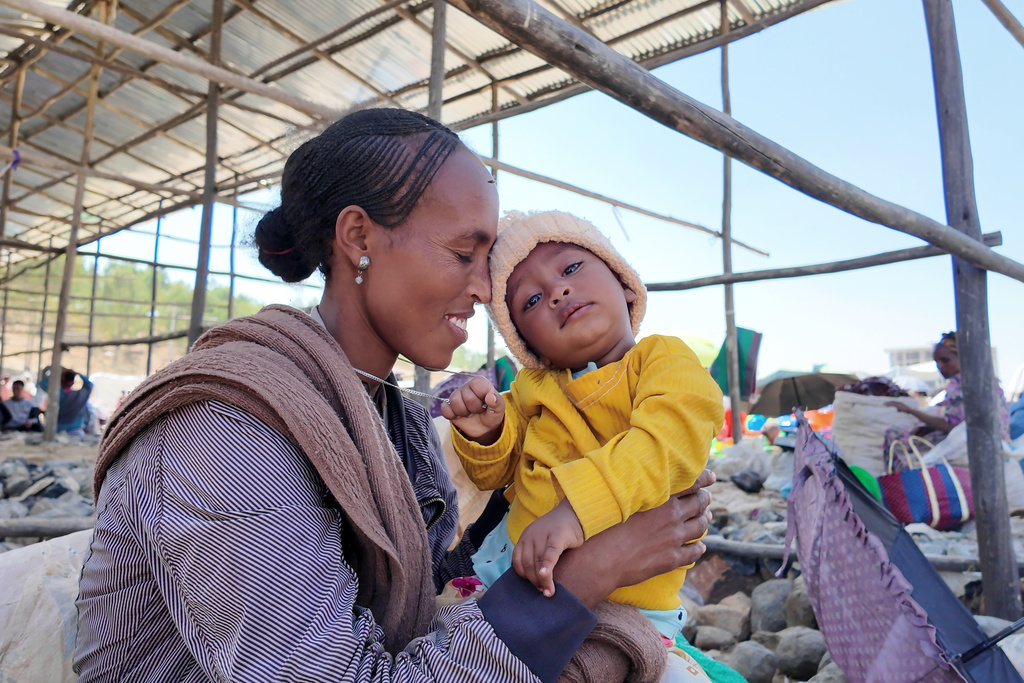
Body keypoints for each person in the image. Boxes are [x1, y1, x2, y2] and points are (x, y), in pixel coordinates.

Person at [74, 109, 715, 683]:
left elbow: (423, 591)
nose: (485, 291)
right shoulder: (224, 441)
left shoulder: (392, 417)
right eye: (465, 253)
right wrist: (585, 576)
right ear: (358, 238)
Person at [444, 211, 723, 649]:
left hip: (633, 608)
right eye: (530, 301)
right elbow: (494, 477)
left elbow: (667, 446)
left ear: (626, 284)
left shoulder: (665, 361)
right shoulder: (532, 388)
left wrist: (575, 513)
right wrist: (487, 435)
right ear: (526, 345)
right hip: (502, 582)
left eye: (571, 268)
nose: (557, 292)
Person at [884, 331, 1010, 460]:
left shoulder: (962, 383)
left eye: (945, 360)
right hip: (995, 439)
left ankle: (901, 479)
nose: (940, 366)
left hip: (975, 442)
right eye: (937, 361)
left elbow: (951, 426)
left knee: (896, 436)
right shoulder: (986, 380)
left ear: (963, 358)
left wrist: (911, 411)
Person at [38, 368, 93, 436]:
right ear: (73, 382)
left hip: (56, 430)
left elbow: (42, 382)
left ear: (61, 380)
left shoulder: (56, 394)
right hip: (75, 431)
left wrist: (56, 372)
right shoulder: (80, 395)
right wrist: (79, 374)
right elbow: (89, 386)